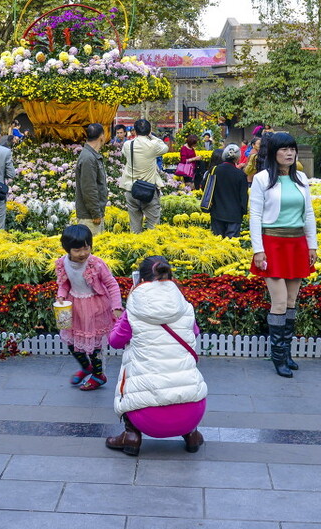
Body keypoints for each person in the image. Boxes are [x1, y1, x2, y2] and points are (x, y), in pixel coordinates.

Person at [105, 255, 207, 457]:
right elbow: (194, 333)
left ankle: (131, 436)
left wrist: (121, 319)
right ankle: (191, 434)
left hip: (146, 416)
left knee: (129, 379)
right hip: (193, 412)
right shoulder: (185, 307)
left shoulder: (134, 310)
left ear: (141, 280)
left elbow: (115, 341)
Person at [248, 132, 317, 378]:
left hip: (297, 243)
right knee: (278, 302)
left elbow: (308, 213)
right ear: (274, 152)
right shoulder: (262, 179)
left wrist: (312, 245)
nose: (289, 153)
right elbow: (254, 216)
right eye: (284, 149)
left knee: (290, 302)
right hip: (272, 244)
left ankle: (286, 352)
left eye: (292, 149)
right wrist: (258, 250)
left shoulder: (301, 179)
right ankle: (278, 356)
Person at [54, 224, 122, 392]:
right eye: (77, 250)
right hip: (74, 306)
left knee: (94, 344)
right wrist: (61, 295)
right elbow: (64, 284)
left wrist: (116, 306)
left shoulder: (96, 264)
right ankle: (86, 368)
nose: (83, 253)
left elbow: (112, 285)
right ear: (67, 249)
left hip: (96, 307)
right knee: (71, 341)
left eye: (86, 248)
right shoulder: (63, 263)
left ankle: (99, 375)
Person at [117, 119, 168, 233]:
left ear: (134, 131)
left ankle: (137, 248)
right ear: (149, 130)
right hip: (149, 190)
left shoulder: (127, 145)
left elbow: (125, 155)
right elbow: (165, 148)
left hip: (131, 190)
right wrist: (152, 136)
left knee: (135, 228)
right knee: (153, 228)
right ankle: (151, 249)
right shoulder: (153, 145)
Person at [74, 123, 108, 236]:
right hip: (89, 218)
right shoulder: (88, 157)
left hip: (92, 215)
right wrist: (96, 214)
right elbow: (89, 189)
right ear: (102, 136)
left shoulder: (91, 155)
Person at [208, 144, 248, 238]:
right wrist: (243, 211)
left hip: (217, 212)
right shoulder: (240, 175)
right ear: (238, 158)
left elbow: (205, 187)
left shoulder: (215, 170)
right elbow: (243, 196)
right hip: (234, 214)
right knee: (231, 244)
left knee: (216, 243)